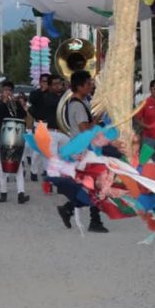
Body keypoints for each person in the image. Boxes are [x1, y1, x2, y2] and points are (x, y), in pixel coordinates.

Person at [53, 70, 107, 232]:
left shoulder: (80, 102)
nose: (91, 86)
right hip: (83, 149)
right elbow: (85, 129)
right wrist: (98, 120)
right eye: (88, 84)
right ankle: (92, 219)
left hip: (83, 148)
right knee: (94, 185)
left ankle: (71, 209)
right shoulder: (77, 105)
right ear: (80, 86)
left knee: (92, 186)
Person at [0, 80, 29, 203]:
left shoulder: (16, 103)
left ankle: (21, 193)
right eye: (4, 91)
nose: (7, 93)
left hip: (16, 138)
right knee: (3, 166)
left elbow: (23, 115)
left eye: (9, 91)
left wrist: (16, 103)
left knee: (18, 165)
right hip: (2, 137)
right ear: (1, 93)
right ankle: (3, 192)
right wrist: (4, 103)